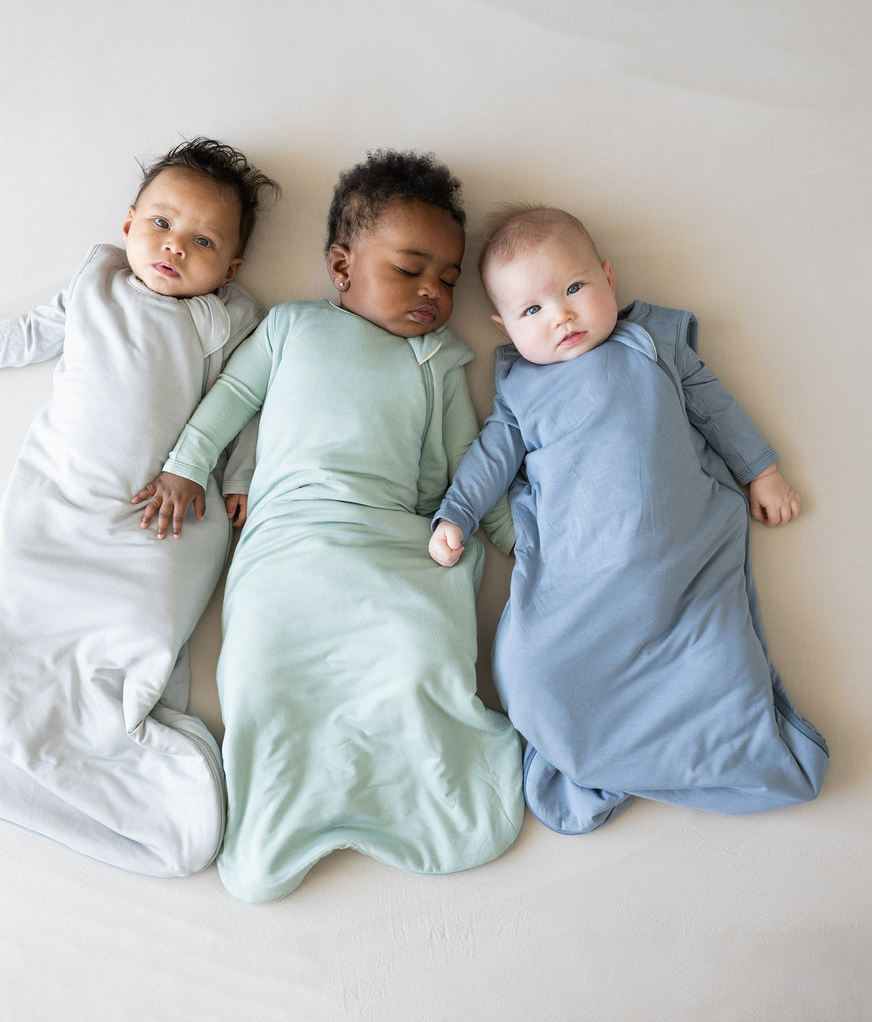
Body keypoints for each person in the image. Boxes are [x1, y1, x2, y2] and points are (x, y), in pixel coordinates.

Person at [139, 150, 524, 902]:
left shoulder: (435, 357)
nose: (432, 292)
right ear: (342, 266)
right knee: (258, 675)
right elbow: (228, 401)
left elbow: (465, 471)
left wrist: (519, 543)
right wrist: (187, 465)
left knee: (416, 657)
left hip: (390, 546)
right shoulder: (289, 328)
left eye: (448, 278)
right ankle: (284, 814)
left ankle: (412, 792)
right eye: (411, 268)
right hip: (288, 550)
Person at [0, 137, 279, 876]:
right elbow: (40, 330)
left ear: (231, 268)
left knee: (144, 616)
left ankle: (118, 720)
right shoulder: (96, 284)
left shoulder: (224, 319)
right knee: (13, 572)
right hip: (61, 494)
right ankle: (18, 690)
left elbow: (241, 406)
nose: (175, 247)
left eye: (204, 241)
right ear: (129, 224)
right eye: (163, 225)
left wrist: (236, 478)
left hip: (157, 517)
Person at [430, 204, 828, 835]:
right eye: (532, 310)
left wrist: (763, 471)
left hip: (682, 566)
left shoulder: (652, 342)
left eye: (574, 289)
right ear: (503, 327)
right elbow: (490, 459)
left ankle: (719, 747)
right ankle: (595, 753)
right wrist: (456, 513)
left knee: (719, 658)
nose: (560, 314)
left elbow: (716, 407)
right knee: (523, 668)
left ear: (609, 279)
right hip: (580, 584)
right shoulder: (521, 390)